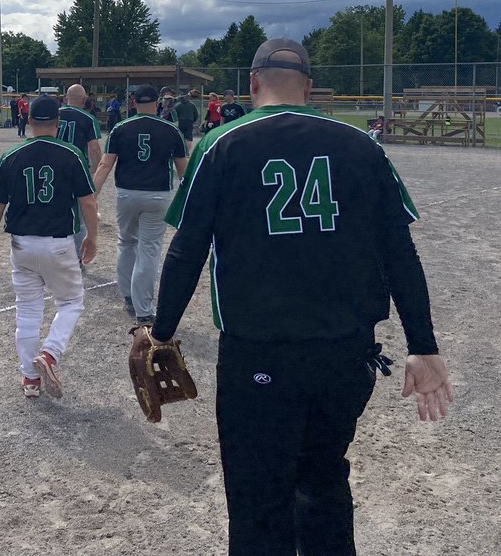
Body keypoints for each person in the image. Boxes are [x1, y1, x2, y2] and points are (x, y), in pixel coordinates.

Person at [152, 38, 454, 555]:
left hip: (257, 351)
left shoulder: (222, 142)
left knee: (258, 495)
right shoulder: (361, 145)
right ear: (309, 87)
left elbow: (187, 251)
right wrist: (423, 345)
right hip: (345, 352)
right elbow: (399, 252)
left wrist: (161, 332)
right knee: (324, 481)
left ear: (253, 83)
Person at [0, 95, 99, 399]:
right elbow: (88, 201)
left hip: (21, 244)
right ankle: (49, 353)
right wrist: (92, 236)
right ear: (58, 124)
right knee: (71, 303)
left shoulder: (12, 155)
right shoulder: (71, 154)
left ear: (30, 121)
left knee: (28, 311)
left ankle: (30, 379)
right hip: (58, 243)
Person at [93, 84, 187, 325]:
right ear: (157, 103)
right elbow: (182, 170)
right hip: (157, 194)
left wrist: (92, 195)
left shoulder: (120, 128)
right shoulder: (170, 129)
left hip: (127, 193)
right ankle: (143, 308)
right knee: (149, 249)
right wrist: (190, 198)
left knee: (126, 242)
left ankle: (128, 295)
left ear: (134, 103)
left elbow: (105, 165)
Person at [57, 84, 103, 262]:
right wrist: (95, 170)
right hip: (77, 167)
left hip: (54, 165)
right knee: (81, 215)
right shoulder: (88, 118)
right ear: (84, 100)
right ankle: (76, 257)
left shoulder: (56, 114)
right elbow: (94, 148)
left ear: (65, 98)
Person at [173, 89, 201, 154]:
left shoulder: (177, 105)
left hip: (180, 121)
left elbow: (174, 114)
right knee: (188, 137)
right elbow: (196, 115)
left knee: (179, 136)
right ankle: (187, 152)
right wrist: (193, 120)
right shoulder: (192, 105)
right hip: (189, 121)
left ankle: (178, 151)